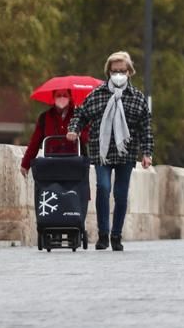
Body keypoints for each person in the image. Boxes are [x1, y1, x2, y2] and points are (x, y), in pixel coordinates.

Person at [66, 51, 153, 252]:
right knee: (103, 188)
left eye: (122, 71)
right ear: (108, 72)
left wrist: (147, 153)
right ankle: (103, 234)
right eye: (114, 71)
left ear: (130, 72)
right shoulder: (96, 95)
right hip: (101, 152)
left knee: (121, 194)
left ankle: (116, 235)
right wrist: (74, 129)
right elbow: (81, 114)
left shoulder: (137, 98)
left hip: (126, 153)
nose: (118, 75)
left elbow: (145, 128)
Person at [21, 89, 88, 176]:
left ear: (70, 97)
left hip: (75, 163)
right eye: (58, 95)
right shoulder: (45, 117)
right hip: (52, 163)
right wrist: (25, 164)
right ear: (53, 98)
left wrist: (79, 134)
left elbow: (88, 135)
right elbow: (35, 142)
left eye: (65, 95)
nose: (62, 98)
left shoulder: (79, 115)